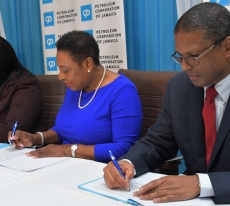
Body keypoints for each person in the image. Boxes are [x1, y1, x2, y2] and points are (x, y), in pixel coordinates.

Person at [103, 2, 230, 204]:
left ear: (227, 46)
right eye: (180, 57)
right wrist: (129, 162)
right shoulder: (179, 87)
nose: (184, 67)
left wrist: (201, 184)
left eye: (193, 57)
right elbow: (159, 141)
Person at [9, 30, 142, 163]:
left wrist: (67, 150)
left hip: (99, 169)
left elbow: (124, 148)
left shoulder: (122, 91)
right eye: (59, 69)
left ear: (87, 64)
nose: (60, 76)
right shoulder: (76, 86)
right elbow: (66, 130)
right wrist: (35, 138)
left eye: (65, 70)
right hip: (65, 163)